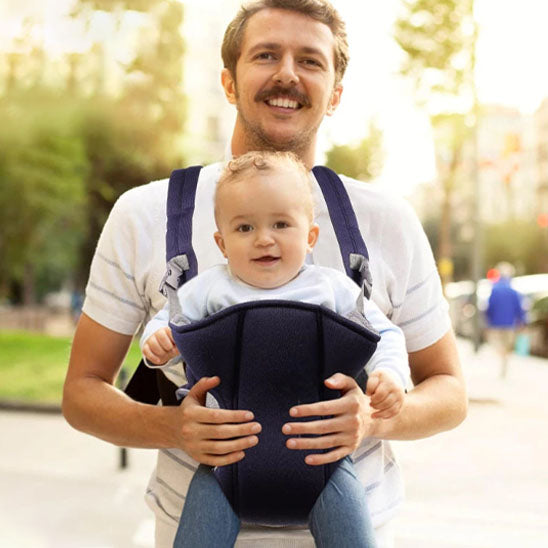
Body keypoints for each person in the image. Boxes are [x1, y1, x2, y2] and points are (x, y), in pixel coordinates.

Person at [63, 1, 467, 546]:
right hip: (197, 514)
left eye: (311, 61)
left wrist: (374, 417)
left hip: (354, 516)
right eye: (266, 54)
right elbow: (82, 393)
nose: (287, 74)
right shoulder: (145, 215)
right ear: (228, 82)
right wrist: (173, 427)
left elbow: (449, 392)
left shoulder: (386, 220)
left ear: (336, 93)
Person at [141, 151, 409, 547]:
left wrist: (390, 376)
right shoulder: (206, 289)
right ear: (222, 243)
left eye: (281, 224)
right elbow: (166, 323)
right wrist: (156, 344)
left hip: (326, 464)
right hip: (223, 464)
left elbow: (385, 335)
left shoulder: (332, 288)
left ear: (310, 236)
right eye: (245, 227)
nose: (264, 238)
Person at [486, 262, 526, 378]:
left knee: (497, 345)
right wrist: (522, 322)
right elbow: (519, 308)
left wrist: (488, 320)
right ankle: (504, 361)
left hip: (495, 323)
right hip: (510, 323)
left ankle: (502, 359)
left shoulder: (495, 290)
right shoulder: (513, 291)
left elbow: (490, 307)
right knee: (507, 346)